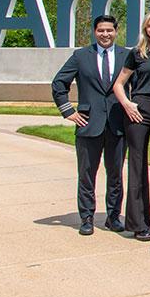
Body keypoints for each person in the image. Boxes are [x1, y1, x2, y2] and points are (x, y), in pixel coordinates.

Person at [51, 14, 129, 236]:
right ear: (95, 32)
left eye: (109, 30)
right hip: (88, 124)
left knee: (115, 174)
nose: (105, 34)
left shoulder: (126, 56)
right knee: (87, 174)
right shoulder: (81, 56)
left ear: (116, 31)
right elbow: (59, 83)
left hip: (117, 124)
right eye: (101, 30)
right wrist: (68, 111)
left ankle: (113, 217)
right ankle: (87, 217)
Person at [112, 10, 150, 242]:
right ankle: (139, 224)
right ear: (145, 29)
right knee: (137, 166)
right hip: (139, 111)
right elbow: (119, 84)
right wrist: (128, 104)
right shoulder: (137, 54)